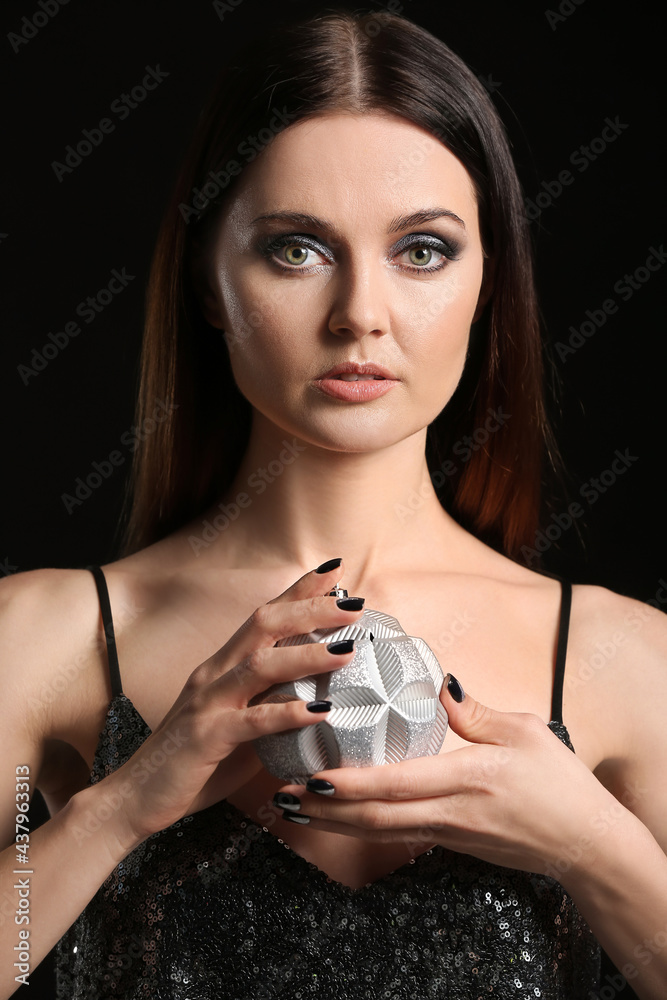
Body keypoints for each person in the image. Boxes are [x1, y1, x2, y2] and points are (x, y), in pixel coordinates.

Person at [1, 8, 666, 999]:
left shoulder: (628, 658)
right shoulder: (45, 634)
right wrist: (123, 802)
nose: (361, 311)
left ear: (490, 283)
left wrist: (592, 846)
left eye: (424, 252)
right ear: (208, 282)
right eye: (296, 250)